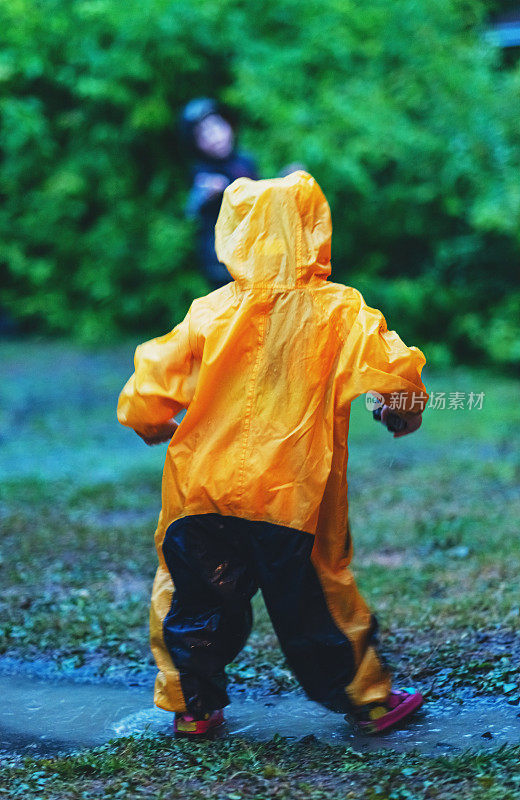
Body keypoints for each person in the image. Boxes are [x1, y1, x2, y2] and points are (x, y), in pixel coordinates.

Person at [117, 171, 429, 737]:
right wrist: (401, 410)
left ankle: (193, 708)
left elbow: (152, 379)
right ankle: (369, 702)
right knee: (318, 608)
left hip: (200, 491)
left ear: (233, 233)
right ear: (314, 229)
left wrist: (150, 421)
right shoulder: (340, 311)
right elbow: (395, 369)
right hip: (292, 497)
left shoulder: (208, 312)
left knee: (193, 602)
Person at [180, 98, 258, 289]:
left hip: (253, 251)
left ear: (229, 126)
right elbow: (193, 207)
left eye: (217, 127)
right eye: (203, 135)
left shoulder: (245, 161)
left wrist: (287, 179)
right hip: (221, 263)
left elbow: (262, 195)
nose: (214, 136)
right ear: (195, 143)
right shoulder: (202, 171)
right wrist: (208, 192)